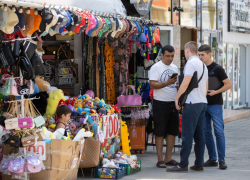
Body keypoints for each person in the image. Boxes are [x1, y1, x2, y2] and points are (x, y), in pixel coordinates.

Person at [167, 41, 208, 172]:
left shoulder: (190, 63)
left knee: (187, 135)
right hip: (202, 103)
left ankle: (183, 164)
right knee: (200, 135)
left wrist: (177, 97)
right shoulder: (203, 65)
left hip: (192, 103)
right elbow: (206, 87)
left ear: (187, 51)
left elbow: (185, 83)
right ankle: (199, 163)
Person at [198, 44, 232, 170]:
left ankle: (222, 160)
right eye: (199, 55)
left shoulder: (217, 68)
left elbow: (228, 85)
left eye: (202, 55)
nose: (200, 57)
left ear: (209, 54)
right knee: (206, 132)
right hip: (202, 104)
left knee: (219, 131)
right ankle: (212, 158)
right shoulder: (199, 68)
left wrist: (215, 92)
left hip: (215, 105)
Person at [149, 45, 179, 168]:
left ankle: (168, 157)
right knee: (160, 132)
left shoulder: (175, 67)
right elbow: (152, 84)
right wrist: (167, 83)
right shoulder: (155, 67)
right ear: (162, 55)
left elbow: (176, 84)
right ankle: (160, 159)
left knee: (172, 131)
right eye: (167, 56)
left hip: (173, 103)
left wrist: (177, 86)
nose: (170, 58)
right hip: (160, 103)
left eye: (172, 56)